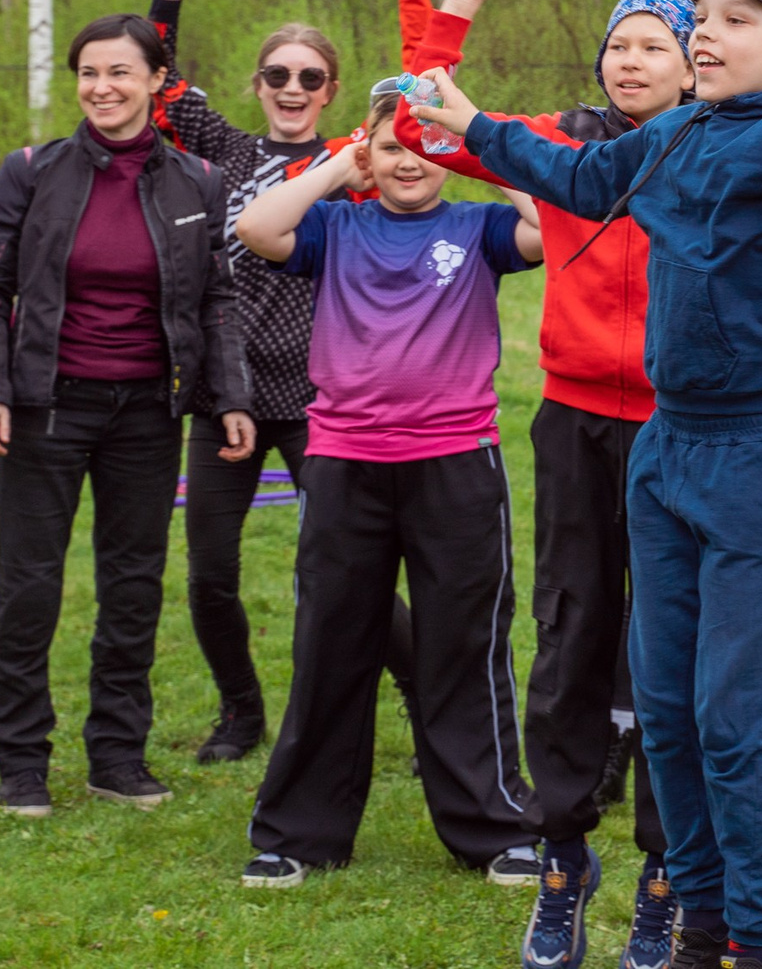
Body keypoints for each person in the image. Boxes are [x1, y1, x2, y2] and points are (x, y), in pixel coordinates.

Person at [415, 0, 762, 969]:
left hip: (761, 452)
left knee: (736, 721)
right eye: (705, 14)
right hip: (665, 447)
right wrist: (472, 127)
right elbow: (580, 176)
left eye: (737, 17)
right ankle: (697, 927)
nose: (706, 30)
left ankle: (758, 941)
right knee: (670, 718)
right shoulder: (679, 127)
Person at [388, 0, 701, 969]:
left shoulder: (712, 148)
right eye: (620, 44)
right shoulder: (558, 139)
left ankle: (664, 876)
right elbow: (419, 125)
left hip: (676, 426)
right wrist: (454, 7)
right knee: (569, 637)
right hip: (572, 420)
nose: (632, 60)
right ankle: (562, 860)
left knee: (668, 647)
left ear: (693, 62)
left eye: (655, 45)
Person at [147, 0, 503, 774]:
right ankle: (240, 710)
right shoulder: (221, 152)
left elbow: (424, 92)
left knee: (357, 579)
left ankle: (425, 701)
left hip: (325, 398)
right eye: (278, 73)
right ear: (258, 82)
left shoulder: (359, 164)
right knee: (208, 574)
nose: (293, 84)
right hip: (224, 390)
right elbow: (154, 77)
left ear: (331, 87)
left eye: (310, 74)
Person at [231, 85, 547, 889]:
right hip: (345, 463)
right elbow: (257, 227)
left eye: (425, 145)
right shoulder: (336, 225)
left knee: (463, 648)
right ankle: (299, 833)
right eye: (392, 146)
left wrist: (472, 143)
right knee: (331, 645)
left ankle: (494, 827)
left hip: (456, 465)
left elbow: (546, 229)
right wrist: (343, 162)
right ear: (368, 153)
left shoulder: (476, 227)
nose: (411, 161)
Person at [0, 12, 254, 819]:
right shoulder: (30, 171)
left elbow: (218, 297)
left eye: (121, 72)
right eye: (89, 72)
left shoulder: (198, 181)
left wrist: (229, 397)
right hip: (44, 408)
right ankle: (21, 762)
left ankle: (117, 756)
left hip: (148, 416)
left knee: (132, 588)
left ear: (158, 80)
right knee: (29, 588)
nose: (102, 88)